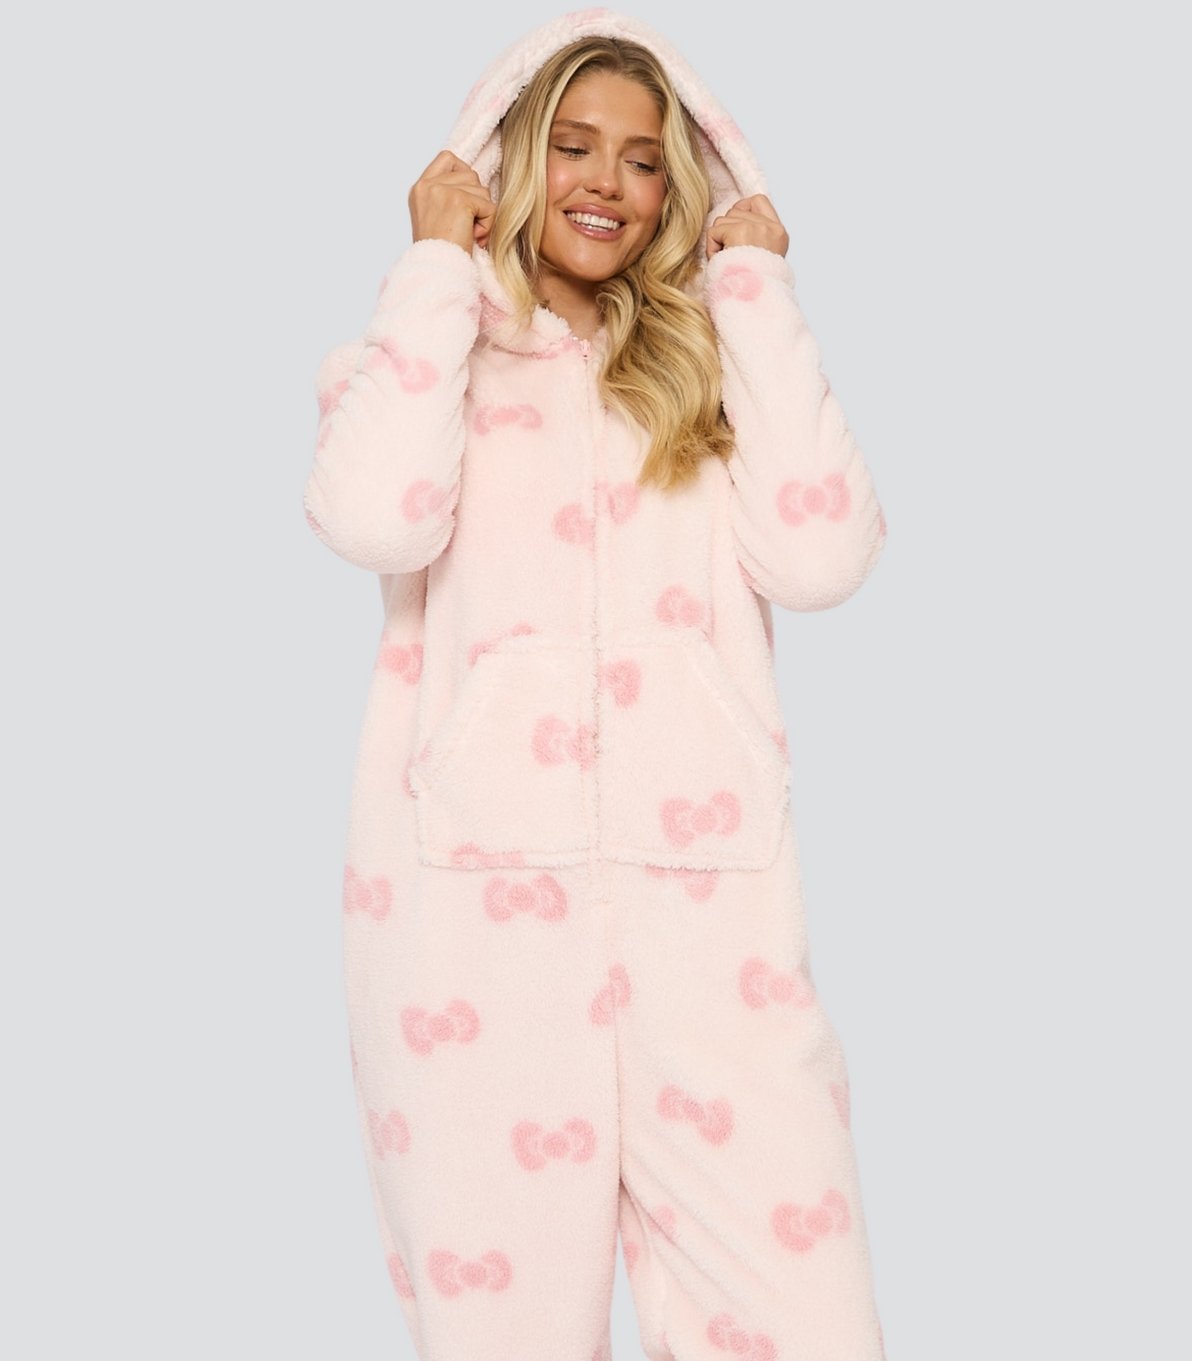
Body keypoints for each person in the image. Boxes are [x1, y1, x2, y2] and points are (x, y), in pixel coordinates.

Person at [302, 9, 890, 1360]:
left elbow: (821, 559)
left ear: (680, 187)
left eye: (641, 159)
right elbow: (377, 519)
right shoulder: (420, 362)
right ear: (510, 161)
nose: (606, 184)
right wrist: (434, 267)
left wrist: (756, 293)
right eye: (572, 146)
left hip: (715, 917)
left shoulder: (714, 380)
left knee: (810, 1325)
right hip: (470, 918)